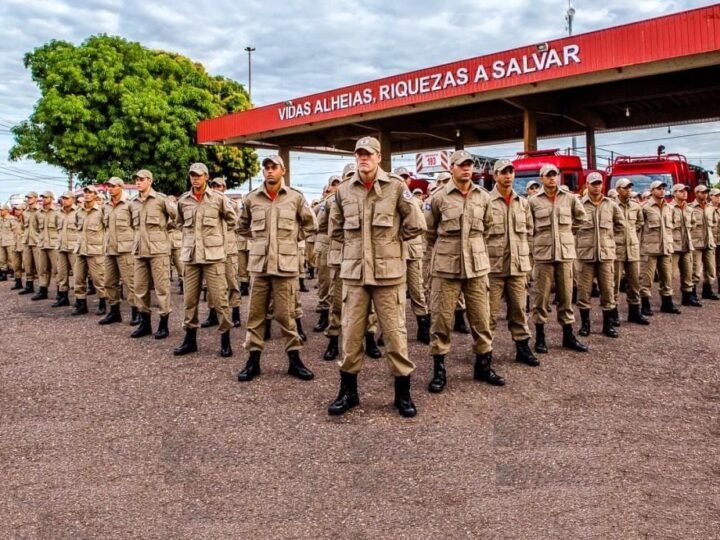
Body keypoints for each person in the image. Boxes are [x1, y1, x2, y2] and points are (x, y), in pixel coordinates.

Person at [328, 137, 425, 417]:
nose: (363, 159)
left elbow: (416, 223)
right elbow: (334, 229)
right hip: (355, 275)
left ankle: (402, 394)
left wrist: (392, 244)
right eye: (359, 154)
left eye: (368, 154)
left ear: (379, 157)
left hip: (388, 275)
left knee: (395, 336)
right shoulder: (344, 190)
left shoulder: (395, 187)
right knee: (350, 336)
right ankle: (348, 393)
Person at [425, 149, 503, 394]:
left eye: (469, 165)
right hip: (446, 267)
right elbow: (429, 232)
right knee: (441, 319)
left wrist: (473, 248)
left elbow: (487, 228)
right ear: (452, 169)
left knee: (481, 318)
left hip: (477, 267)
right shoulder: (439, 197)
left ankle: (483, 366)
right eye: (461, 165)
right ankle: (439, 370)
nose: (466, 169)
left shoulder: (483, 197)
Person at [236, 155, 318, 382]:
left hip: (285, 267)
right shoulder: (252, 198)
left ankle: (295, 361)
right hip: (260, 267)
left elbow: (311, 225)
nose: (270, 171)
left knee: (286, 315)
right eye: (267, 168)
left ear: (283, 170)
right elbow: (241, 226)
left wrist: (292, 240)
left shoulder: (295, 198)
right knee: (255, 316)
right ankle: (253, 361)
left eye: (274, 168)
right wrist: (260, 241)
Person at [174, 163, 237, 357]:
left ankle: (225, 340)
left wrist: (219, 241)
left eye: (199, 175)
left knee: (220, 299)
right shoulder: (184, 200)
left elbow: (232, 220)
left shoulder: (218, 199)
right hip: (191, 257)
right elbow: (179, 223)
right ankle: (190, 340)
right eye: (192, 175)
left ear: (206, 177)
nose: (195, 178)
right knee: (189, 300)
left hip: (213, 257)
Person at [484, 159, 538, 371]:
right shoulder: (485, 201)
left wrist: (527, 260)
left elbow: (529, 232)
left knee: (519, 310)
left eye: (511, 172)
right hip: (492, 267)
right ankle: (485, 352)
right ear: (495, 175)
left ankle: (523, 347)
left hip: (517, 267)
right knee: (488, 314)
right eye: (503, 172)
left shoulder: (522, 202)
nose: (508, 176)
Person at [528, 164, 588, 353]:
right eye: (548, 175)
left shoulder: (569, 198)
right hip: (543, 255)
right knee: (541, 297)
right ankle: (540, 337)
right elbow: (528, 227)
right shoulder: (533, 201)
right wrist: (535, 243)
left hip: (564, 255)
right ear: (541, 178)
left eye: (555, 175)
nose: (552, 178)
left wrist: (568, 234)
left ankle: (568, 336)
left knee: (566, 296)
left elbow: (581, 218)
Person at [575, 172, 625, 338]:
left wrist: (609, 239)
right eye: (593, 183)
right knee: (584, 292)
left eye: (599, 183)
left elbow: (620, 224)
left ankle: (608, 326)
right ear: (587, 185)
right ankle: (585, 325)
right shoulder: (579, 204)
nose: (596, 186)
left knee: (608, 291)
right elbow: (571, 226)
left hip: (606, 255)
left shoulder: (610, 204)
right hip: (585, 255)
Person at [129, 169, 176, 339]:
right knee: (140, 288)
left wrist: (165, 230)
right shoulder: (132, 203)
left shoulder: (161, 200)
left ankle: (163, 324)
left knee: (162, 288)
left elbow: (177, 217)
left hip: (158, 250)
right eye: (136, 179)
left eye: (141, 179)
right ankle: (145, 323)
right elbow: (131, 225)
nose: (138, 182)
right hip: (140, 250)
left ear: (150, 181)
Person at [394, 166, 430, 344]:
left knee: (417, 291)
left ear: (409, 181)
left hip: (413, 252)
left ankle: (423, 327)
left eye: (405, 177)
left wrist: (402, 236)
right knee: (395, 295)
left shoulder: (416, 201)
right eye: (399, 176)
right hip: (394, 254)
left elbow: (423, 226)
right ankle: (392, 332)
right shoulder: (389, 199)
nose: (402, 179)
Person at [202, 177, 242, 328]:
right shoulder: (207, 203)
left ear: (224, 188)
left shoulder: (232, 204)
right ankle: (213, 314)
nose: (216, 188)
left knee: (232, 282)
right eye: (214, 185)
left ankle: (236, 313)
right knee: (213, 285)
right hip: (213, 250)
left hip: (229, 248)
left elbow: (236, 223)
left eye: (220, 186)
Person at [100, 177, 140, 325]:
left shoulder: (129, 204)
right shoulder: (106, 206)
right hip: (110, 249)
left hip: (125, 249)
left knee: (130, 282)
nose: (109, 189)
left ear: (120, 187)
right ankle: (114, 312)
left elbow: (136, 227)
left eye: (112, 186)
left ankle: (136, 312)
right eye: (108, 187)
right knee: (109, 282)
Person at [639, 180, 679, 315]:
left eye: (663, 188)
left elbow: (672, 225)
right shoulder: (644, 207)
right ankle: (645, 304)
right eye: (658, 188)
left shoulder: (669, 208)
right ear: (652, 191)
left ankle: (667, 303)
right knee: (646, 278)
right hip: (649, 248)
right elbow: (638, 227)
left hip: (666, 247)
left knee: (666, 277)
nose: (662, 190)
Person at [613, 178, 649, 325]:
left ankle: (634, 312)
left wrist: (631, 234)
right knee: (613, 283)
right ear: (618, 190)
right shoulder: (611, 205)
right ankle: (612, 313)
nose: (628, 190)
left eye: (629, 187)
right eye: (625, 188)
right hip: (616, 248)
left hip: (632, 248)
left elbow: (640, 223)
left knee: (634, 282)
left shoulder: (635, 206)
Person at [72, 185, 107, 316]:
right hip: (81, 250)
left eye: (90, 192)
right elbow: (77, 227)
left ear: (95, 195)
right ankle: (81, 304)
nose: (87, 194)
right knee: (78, 278)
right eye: (85, 192)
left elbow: (107, 228)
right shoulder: (79, 212)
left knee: (99, 279)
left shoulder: (101, 211)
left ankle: (103, 303)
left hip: (96, 250)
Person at [313, 176, 340, 333]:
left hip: (344, 245)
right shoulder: (326, 202)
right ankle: (324, 315)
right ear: (329, 187)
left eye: (340, 183)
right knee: (325, 281)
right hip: (327, 244)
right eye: (334, 184)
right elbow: (318, 224)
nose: (337, 186)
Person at [669, 184, 700, 307]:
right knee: (670, 274)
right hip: (674, 245)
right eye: (681, 191)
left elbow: (693, 224)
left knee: (688, 273)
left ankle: (687, 297)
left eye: (686, 191)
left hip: (687, 245)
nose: (685, 193)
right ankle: (668, 299)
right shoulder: (669, 208)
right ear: (674, 193)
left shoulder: (689, 209)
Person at [688, 185, 719, 301]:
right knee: (695, 269)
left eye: (706, 192)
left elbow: (714, 224)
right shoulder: (690, 208)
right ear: (696, 193)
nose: (704, 194)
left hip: (709, 241)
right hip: (696, 242)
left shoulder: (710, 208)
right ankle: (692, 292)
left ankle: (708, 290)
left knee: (711, 269)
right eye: (702, 192)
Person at [33, 191, 60, 301]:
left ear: (52, 198)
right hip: (42, 243)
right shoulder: (38, 213)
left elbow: (60, 228)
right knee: (42, 269)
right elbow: (35, 228)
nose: (44, 199)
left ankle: (60, 291)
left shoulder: (57, 212)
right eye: (43, 197)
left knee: (57, 269)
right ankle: (43, 290)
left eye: (46, 197)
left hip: (54, 244)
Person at [52, 192, 78, 307]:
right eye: (63, 198)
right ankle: (63, 297)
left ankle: (79, 300)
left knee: (78, 275)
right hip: (61, 247)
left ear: (73, 199)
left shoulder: (78, 212)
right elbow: (57, 229)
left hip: (73, 247)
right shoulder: (58, 213)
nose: (65, 200)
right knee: (61, 274)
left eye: (67, 198)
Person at [18, 191, 40, 295]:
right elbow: (22, 227)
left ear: (36, 198)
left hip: (37, 242)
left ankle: (42, 288)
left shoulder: (40, 211)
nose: (29, 199)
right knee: (27, 265)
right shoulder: (24, 213)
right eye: (27, 198)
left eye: (31, 198)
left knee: (40, 267)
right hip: (27, 241)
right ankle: (29, 286)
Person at [0, 205, 19, 281]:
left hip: (10, 241)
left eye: (2, 210)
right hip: (1, 241)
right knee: (1, 259)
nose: (0, 211)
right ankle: (3, 274)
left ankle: (15, 274)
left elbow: (16, 231)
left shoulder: (12, 219)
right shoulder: (1, 219)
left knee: (12, 259)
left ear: (7, 210)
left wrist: (16, 241)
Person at [10, 205, 26, 290]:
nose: (16, 211)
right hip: (15, 245)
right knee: (16, 265)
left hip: (24, 245)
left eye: (19, 210)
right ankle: (18, 282)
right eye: (15, 210)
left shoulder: (26, 220)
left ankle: (29, 284)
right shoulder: (13, 221)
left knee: (27, 266)